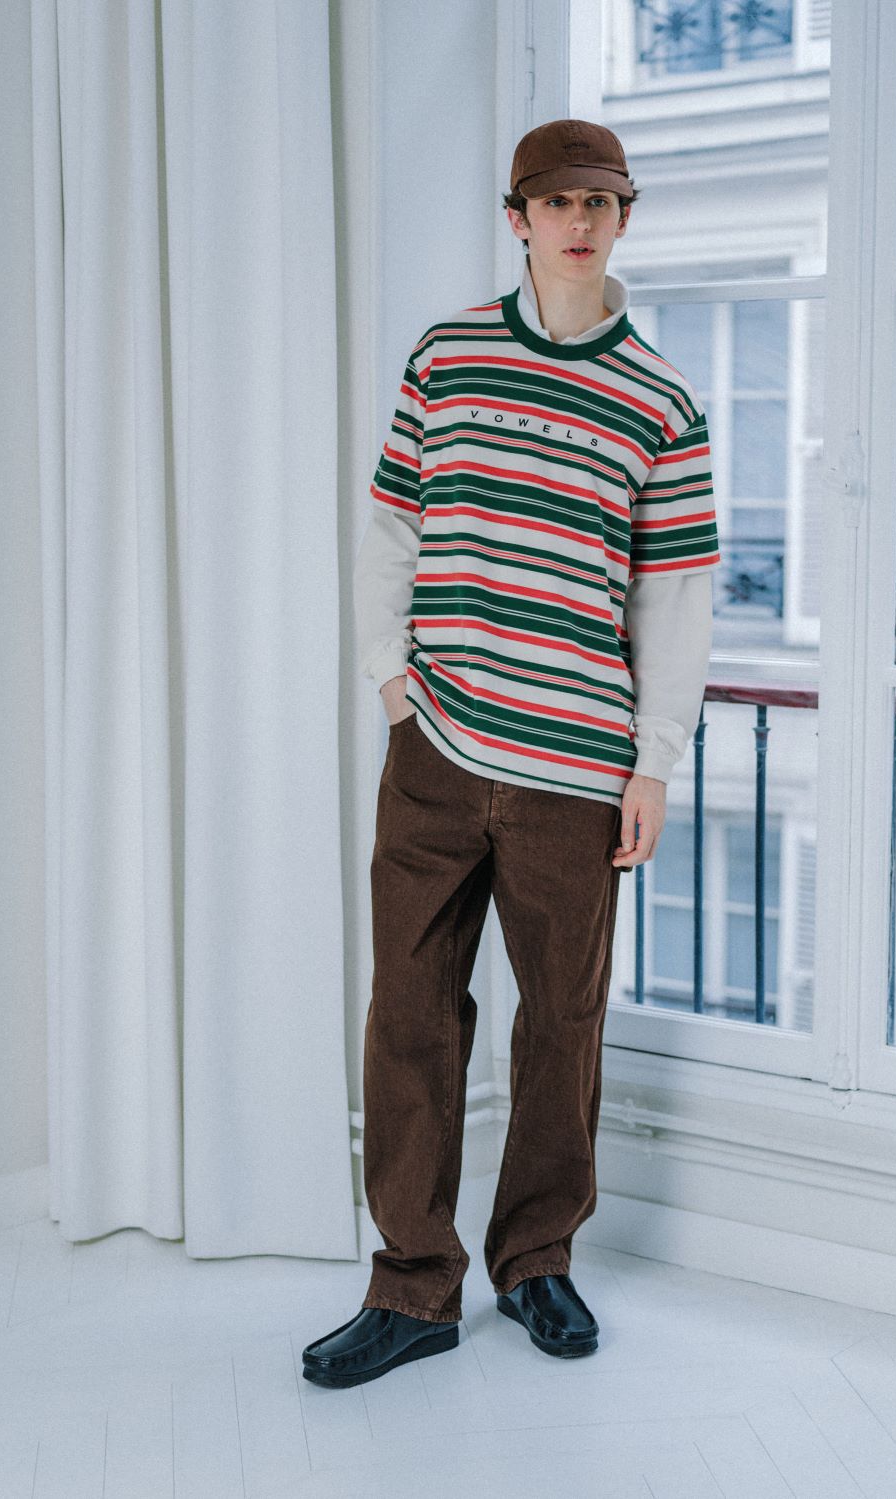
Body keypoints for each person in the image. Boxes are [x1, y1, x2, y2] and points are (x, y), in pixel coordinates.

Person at [303, 119, 720, 1389]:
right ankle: (412, 1284)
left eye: (601, 202)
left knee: (563, 1025)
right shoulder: (448, 357)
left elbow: (675, 601)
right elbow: (391, 529)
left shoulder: (663, 401)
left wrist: (653, 763)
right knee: (409, 1016)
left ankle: (537, 1261)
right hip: (436, 745)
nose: (579, 222)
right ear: (518, 218)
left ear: (625, 218)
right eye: (556, 202)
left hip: (577, 767)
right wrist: (392, 680)